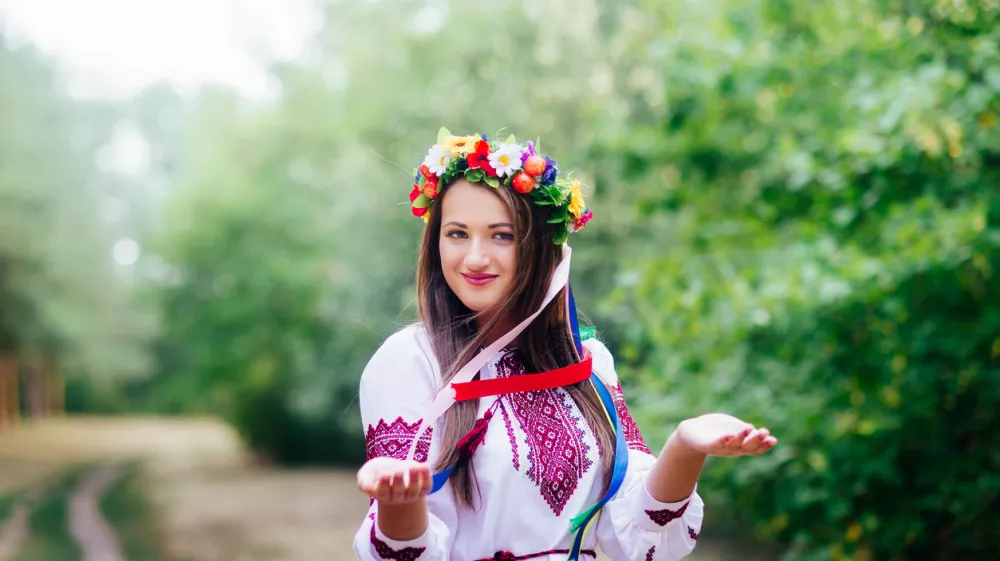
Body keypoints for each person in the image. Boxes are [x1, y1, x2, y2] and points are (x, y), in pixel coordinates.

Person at [353, 129, 777, 561]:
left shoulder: (588, 362)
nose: (475, 258)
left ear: (541, 246)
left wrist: (686, 447)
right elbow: (405, 550)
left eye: (502, 235)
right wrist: (397, 502)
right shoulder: (409, 360)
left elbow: (635, 532)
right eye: (457, 234)